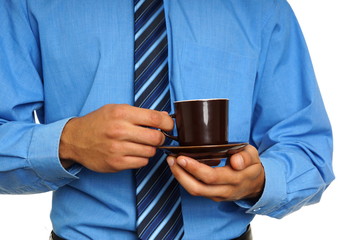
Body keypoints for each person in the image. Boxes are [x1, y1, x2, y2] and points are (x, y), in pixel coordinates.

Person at [0, 0, 334, 239]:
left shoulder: (261, 6)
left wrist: (257, 182)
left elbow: (307, 149)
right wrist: (68, 142)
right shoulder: (27, 4)